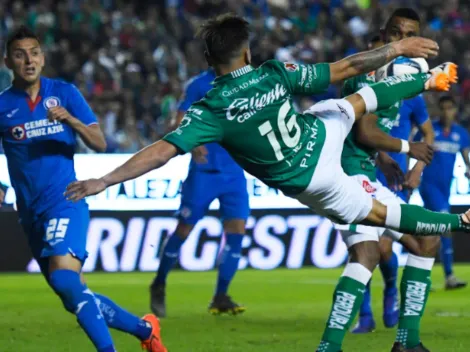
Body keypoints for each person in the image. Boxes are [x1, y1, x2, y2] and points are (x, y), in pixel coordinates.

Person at [64, 16, 467, 352]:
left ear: (208, 58)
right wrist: (397, 49)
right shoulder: (274, 74)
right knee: (354, 106)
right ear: (247, 53)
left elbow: (161, 151)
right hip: (321, 143)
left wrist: (105, 178)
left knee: (380, 204)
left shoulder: (210, 110)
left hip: (312, 175)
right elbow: (346, 68)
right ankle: (427, 84)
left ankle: (458, 215)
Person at [0, 26, 166, 352]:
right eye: (20, 54)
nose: (28, 60)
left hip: (66, 199)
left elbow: (99, 142)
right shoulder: (3, 106)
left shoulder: (64, 93)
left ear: (43, 58)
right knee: (73, 294)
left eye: (34, 53)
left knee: (65, 280)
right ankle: (146, 330)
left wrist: (70, 121)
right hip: (30, 212)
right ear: (8, 61)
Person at [352, 8, 438, 336]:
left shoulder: (412, 92)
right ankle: (367, 317)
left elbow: (427, 135)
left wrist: (416, 169)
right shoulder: (361, 80)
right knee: (366, 249)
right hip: (360, 172)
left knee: (384, 249)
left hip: (396, 178)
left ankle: (391, 295)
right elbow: (357, 132)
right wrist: (385, 155)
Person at [150, 68, 249, 317]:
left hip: (234, 172)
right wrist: (193, 142)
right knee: (184, 229)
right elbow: (179, 120)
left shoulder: (246, 82)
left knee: (236, 232)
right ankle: (159, 283)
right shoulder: (199, 84)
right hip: (204, 173)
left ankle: (220, 296)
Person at [418, 96, 470, 289]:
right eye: (444, 108)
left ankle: (422, 276)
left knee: (430, 231)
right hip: (429, 186)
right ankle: (449, 276)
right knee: (445, 228)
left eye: (450, 108)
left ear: (455, 110)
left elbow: (466, 158)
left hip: (445, 188)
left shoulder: (461, 134)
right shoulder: (431, 130)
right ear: (439, 110)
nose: (447, 112)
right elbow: (413, 145)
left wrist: (468, 168)